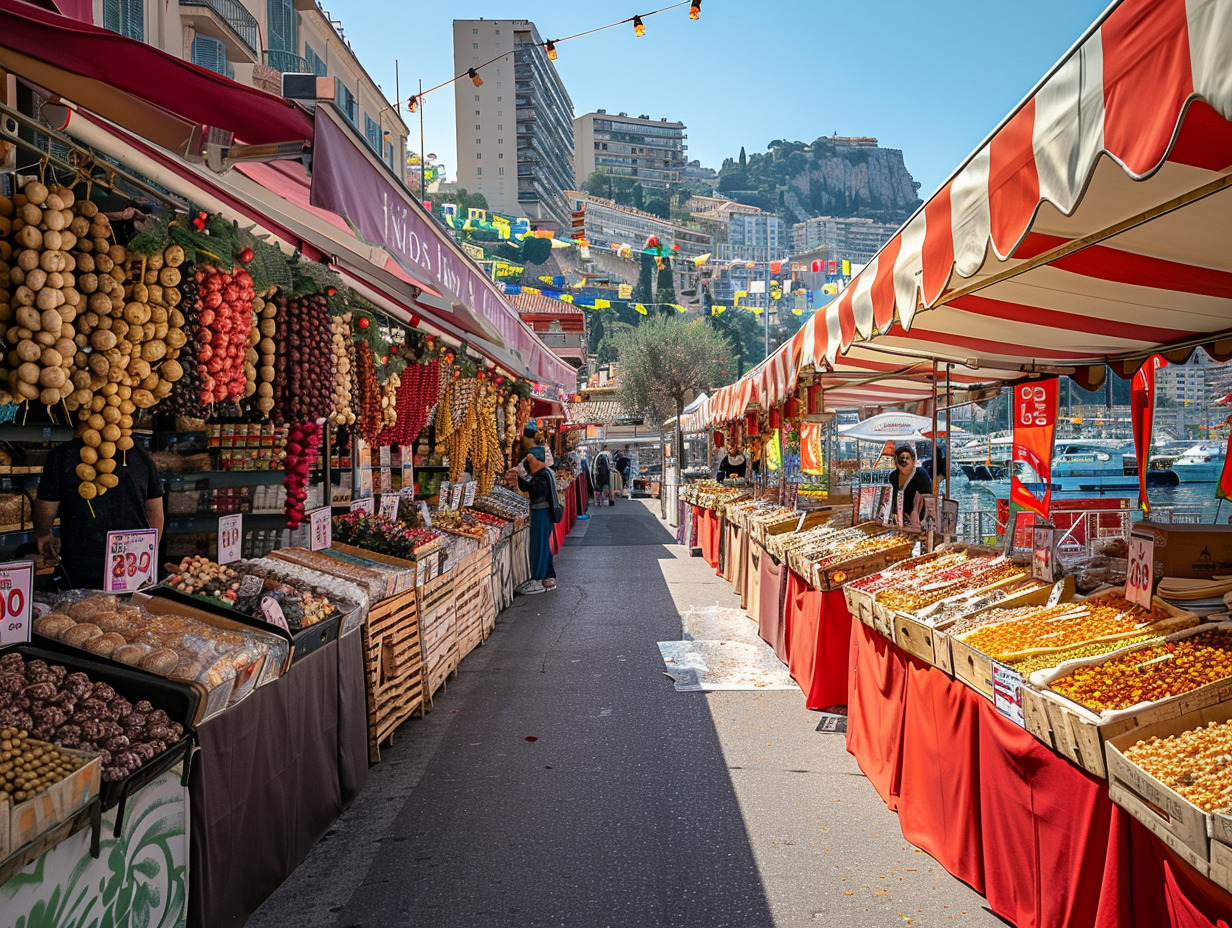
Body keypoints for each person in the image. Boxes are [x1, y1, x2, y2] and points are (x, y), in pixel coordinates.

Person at [34, 431, 165, 590]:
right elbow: (156, 514)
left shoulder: (62, 455)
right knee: (130, 612)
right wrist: (147, 554)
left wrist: (44, 534)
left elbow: (46, 509)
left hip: (82, 565)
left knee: (84, 612)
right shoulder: (140, 456)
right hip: (133, 566)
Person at [510, 446, 561, 594]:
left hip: (542, 512)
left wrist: (523, 474)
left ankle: (538, 579)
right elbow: (527, 487)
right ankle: (548, 577)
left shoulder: (544, 474)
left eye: (530, 459)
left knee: (539, 546)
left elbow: (535, 490)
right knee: (543, 545)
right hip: (540, 512)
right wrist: (521, 474)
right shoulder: (543, 473)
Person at [886, 443, 931, 528]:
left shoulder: (921, 475)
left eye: (907, 458)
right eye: (901, 458)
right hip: (898, 521)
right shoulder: (893, 476)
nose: (904, 461)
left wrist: (916, 511)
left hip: (917, 522)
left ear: (913, 461)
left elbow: (927, 496)